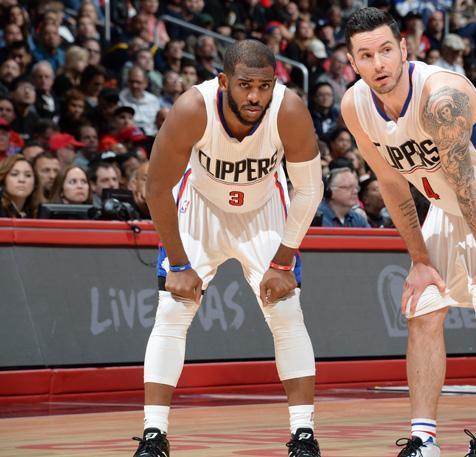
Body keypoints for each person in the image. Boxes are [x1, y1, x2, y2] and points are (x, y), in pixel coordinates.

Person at [341, 8, 476, 457]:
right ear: (352, 61)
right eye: (366, 55)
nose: (379, 63)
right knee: (423, 303)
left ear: (404, 48)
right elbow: (391, 182)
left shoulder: (441, 97)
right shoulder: (354, 106)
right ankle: (424, 439)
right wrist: (419, 260)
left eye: (385, 50)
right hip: (450, 200)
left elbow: (465, 180)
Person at [132, 40, 323, 457]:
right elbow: (156, 187)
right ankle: (153, 435)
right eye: (245, 85)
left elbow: (310, 190)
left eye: (264, 86)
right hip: (202, 207)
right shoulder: (193, 108)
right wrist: (178, 263)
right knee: (172, 312)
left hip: (263, 211)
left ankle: (304, 435)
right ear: (223, 81)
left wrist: (283, 260)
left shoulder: (288, 110)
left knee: (286, 313)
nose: (255, 96)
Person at [0, 154, 43, 218]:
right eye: (14, 174)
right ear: (3, 180)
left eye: (28, 175)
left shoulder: (37, 211)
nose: (22, 180)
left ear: (35, 183)